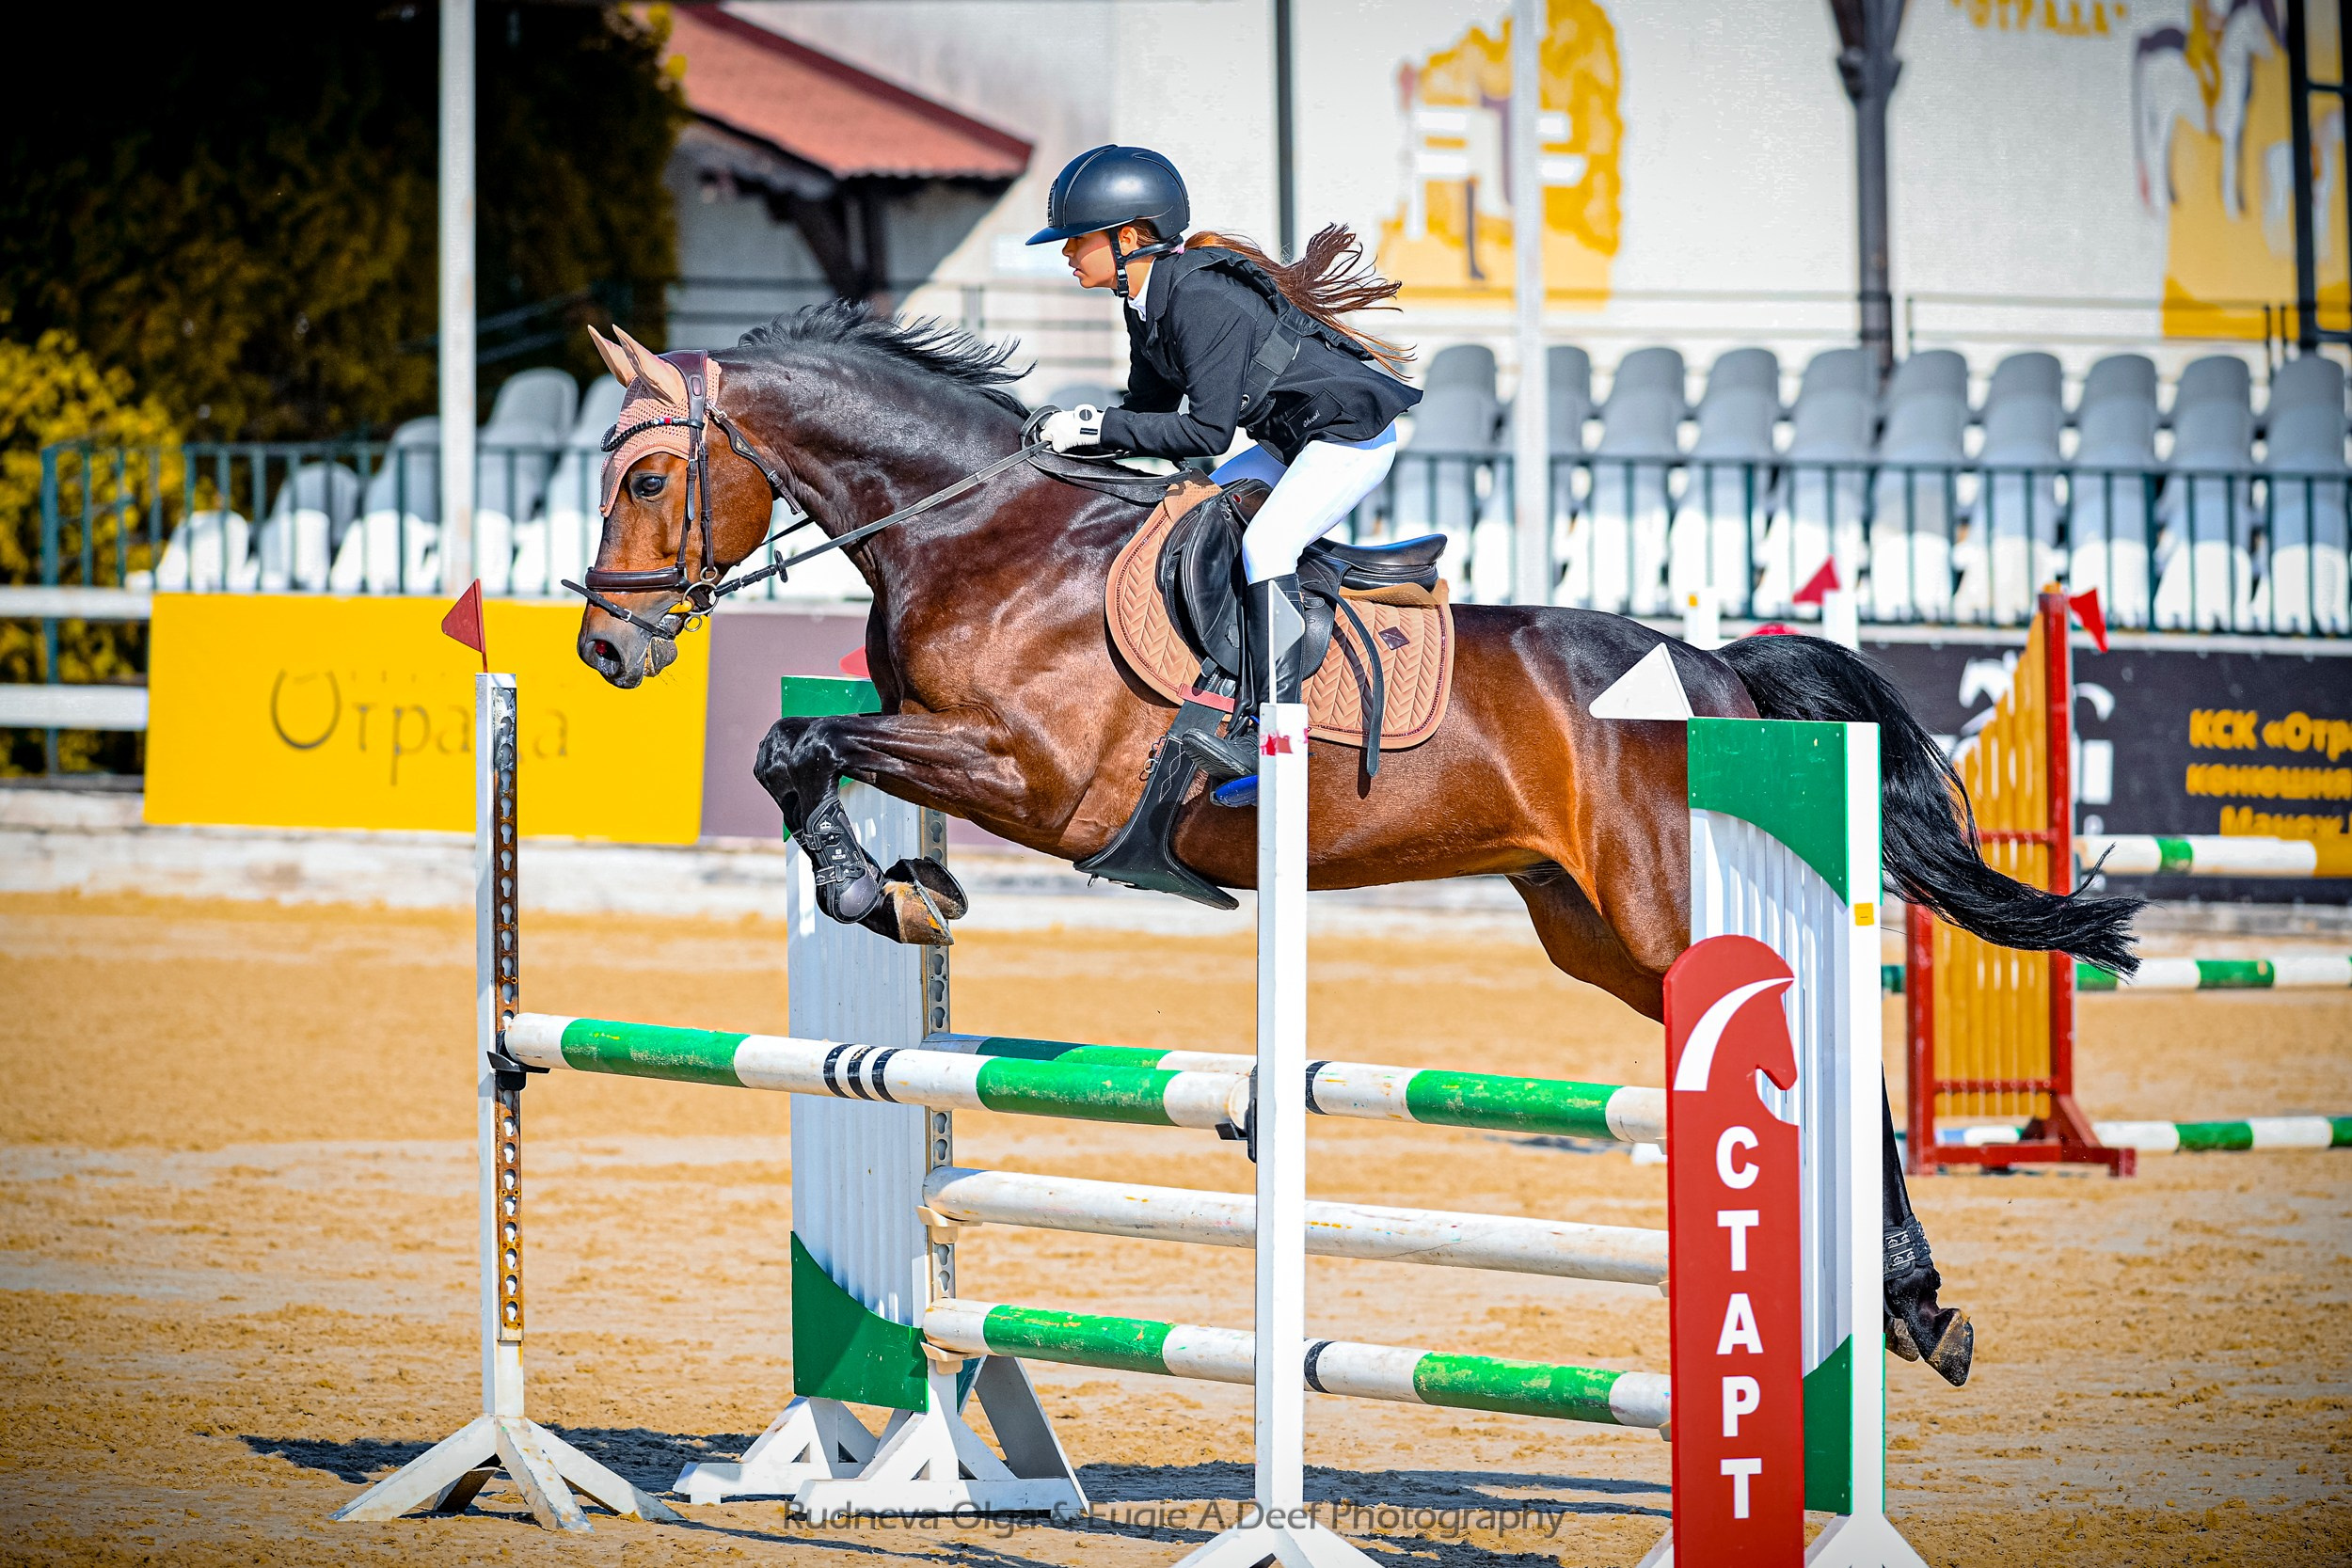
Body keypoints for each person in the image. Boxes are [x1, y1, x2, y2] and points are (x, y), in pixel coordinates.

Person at [1028, 144, 1422, 791]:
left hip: (1350, 436)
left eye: (1077, 240)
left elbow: (1204, 431)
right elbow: (1148, 412)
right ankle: (1216, 694)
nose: (1066, 255)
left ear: (1128, 237)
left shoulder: (1198, 297)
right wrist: (1069, 442)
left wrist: (1094, 425)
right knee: (1195, 510)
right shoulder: (1146, 298)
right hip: (1289, 438)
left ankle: (1274, 737)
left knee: (1266, 544)